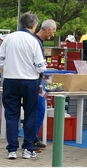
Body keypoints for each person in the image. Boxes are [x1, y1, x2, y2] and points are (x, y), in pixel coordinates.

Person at [0, 12, 46, 160]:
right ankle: (27, 148)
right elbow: (40, 66)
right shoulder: (33, 41)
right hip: (30, 81)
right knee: (30, 114)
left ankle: (12, 149)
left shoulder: (8, 38)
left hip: (10, 80)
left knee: (11, 115)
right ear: (34, 25)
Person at [33, 19, 57, 151]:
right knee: (39, 110)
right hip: (36, 81)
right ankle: (31, 139)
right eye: (52, 32)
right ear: (47, 29)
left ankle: (33, 137)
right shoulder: (36, 41)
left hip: (38, 80)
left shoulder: (38, 41)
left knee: (39, 110)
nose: (52, 35)